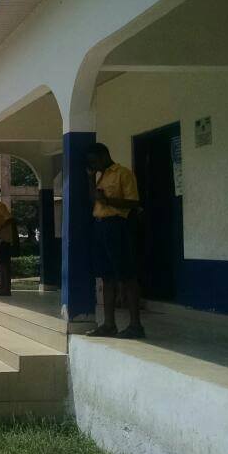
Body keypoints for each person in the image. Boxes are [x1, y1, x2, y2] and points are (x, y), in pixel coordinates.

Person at [85, 142, 144, 339]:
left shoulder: (123, 173)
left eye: (94, 161)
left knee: (126, 274)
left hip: (117, 225)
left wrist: (108, 201)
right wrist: (90, 178)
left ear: (104, 156)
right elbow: (94, 200)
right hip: (99, 226)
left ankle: (135, 325)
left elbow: (134, 202)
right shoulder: (101, 176)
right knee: (106, 276)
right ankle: (109, 324)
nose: (93, 165)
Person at [0, 186, 18, 297]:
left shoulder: (0, 206)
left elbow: (10, 219)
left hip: (3, 239)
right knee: (0, 263)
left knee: (4, 264)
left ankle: (6, 289)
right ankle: (1, 287)